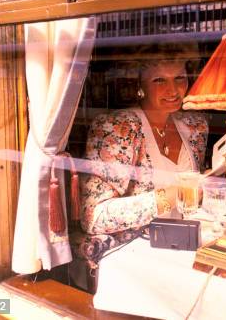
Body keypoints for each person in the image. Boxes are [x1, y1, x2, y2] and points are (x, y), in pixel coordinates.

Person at [80, 50, 208, 235]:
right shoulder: (119, 127)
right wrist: (174, 195)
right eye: (159, 80)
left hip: (189, 237)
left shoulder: (195, 126)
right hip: (137, 249)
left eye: (179, 77)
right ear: (140, 85)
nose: (173, 90)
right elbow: (94, 217)